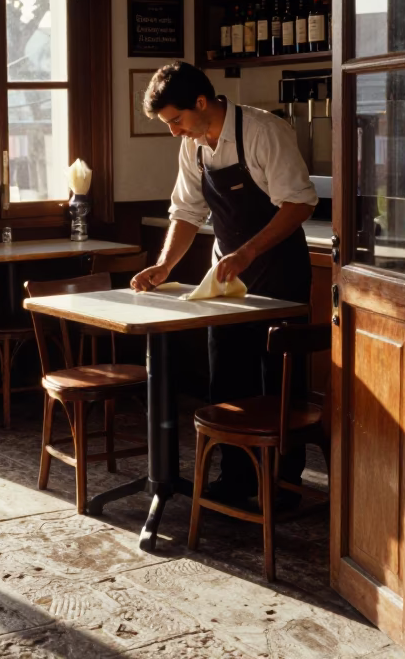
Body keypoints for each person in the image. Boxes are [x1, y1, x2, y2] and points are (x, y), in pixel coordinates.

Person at [130, 62, 317, 508]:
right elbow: (187, 213)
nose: (174, 132)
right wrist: (163, 265)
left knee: (278, 382)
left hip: (279, 274)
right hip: (227, 281)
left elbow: (298, 204)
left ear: (201, 102)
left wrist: (249, 252)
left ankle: (282, 484)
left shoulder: (262, 131)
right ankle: (234, 479)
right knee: (227, 380)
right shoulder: (194, 146)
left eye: (175, 120)